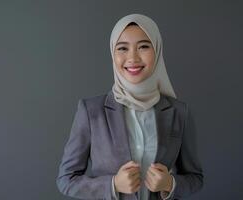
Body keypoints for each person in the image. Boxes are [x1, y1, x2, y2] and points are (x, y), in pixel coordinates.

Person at [56, 14, 203, 200]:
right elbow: (66, 180)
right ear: (112, 53)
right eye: (122, 48)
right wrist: (113, 185)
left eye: (143, 46)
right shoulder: (91, 111)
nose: (132, 57)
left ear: (157, 50)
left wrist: (170, 184)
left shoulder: (179, 112)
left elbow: (195, 178)